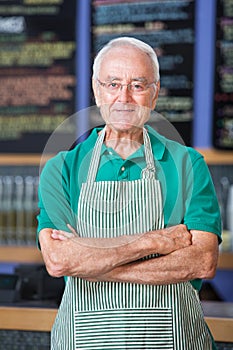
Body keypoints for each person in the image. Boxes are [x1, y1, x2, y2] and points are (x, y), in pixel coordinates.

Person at [37, 37, 222, 350]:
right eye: (112, 84)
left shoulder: (186, 163)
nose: (123, 98)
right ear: (97, 90)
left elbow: (201, 261)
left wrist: (96, 265)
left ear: (155, 92)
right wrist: (154, 242)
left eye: (138, 85)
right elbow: (59, 260)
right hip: (84, 341)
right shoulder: (62, 168)